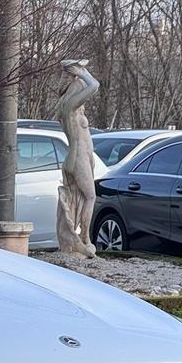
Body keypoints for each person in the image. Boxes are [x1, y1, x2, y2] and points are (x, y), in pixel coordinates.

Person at [56, 59, 99, 257]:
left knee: (80, 198)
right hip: (77, 157)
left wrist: (79, 71)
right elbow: (94, 85)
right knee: (90, 196)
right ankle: (85, 238)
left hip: (82, 156)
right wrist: (81, 72)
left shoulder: (72, 108)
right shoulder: (69, 107)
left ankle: (77, 240)